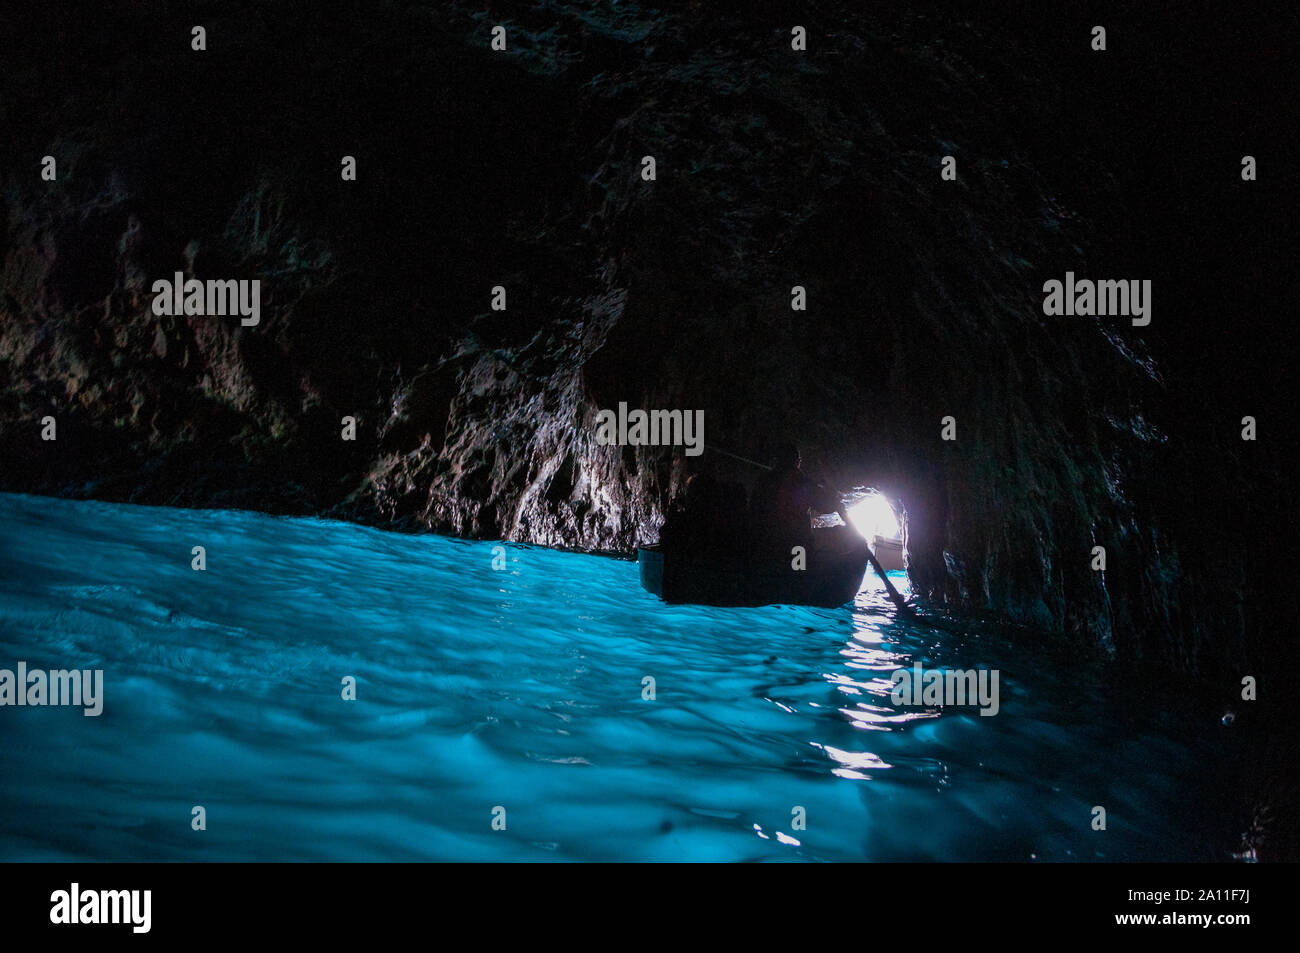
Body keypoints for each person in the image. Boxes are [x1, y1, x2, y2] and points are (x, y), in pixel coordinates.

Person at [750, 442, 847, 553]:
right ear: (797, 462)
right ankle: (800, 568)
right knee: (800, 561)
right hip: (796, 546)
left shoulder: (763, 481)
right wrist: (833, 496)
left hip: (765, 544)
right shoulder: (802, 483)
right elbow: (826, 506)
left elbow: (753, 508)